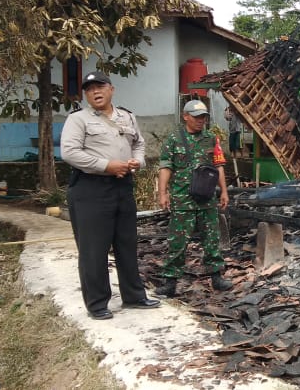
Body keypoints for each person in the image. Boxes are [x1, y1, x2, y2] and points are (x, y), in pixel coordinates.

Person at [60, 71, 160, 320]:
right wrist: (106, 165)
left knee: (126, 243)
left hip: (123, 186)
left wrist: (137, 162)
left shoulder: (126, 116)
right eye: (90, 88)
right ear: (85, 94)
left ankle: (134, 296)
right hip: (90, 188)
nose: (96, 91)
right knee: (94, 248)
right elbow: (70, 152)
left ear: (111, 89)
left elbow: (139, 143)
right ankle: (97, 303)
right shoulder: (78, 119)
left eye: (100, 86)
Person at [155, 100, 231, 297]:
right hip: (182, 199)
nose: (201, 121)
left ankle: (216, 277)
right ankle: (170, 282)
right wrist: (163, 193)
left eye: (203, 117)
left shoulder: (211, 139)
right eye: (197, 117)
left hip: (206, 199)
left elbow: (219, 166)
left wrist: (223, 191)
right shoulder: (173, 139)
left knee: (212, 240)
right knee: (177, 242)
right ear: (185, 116)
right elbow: (166, 167)